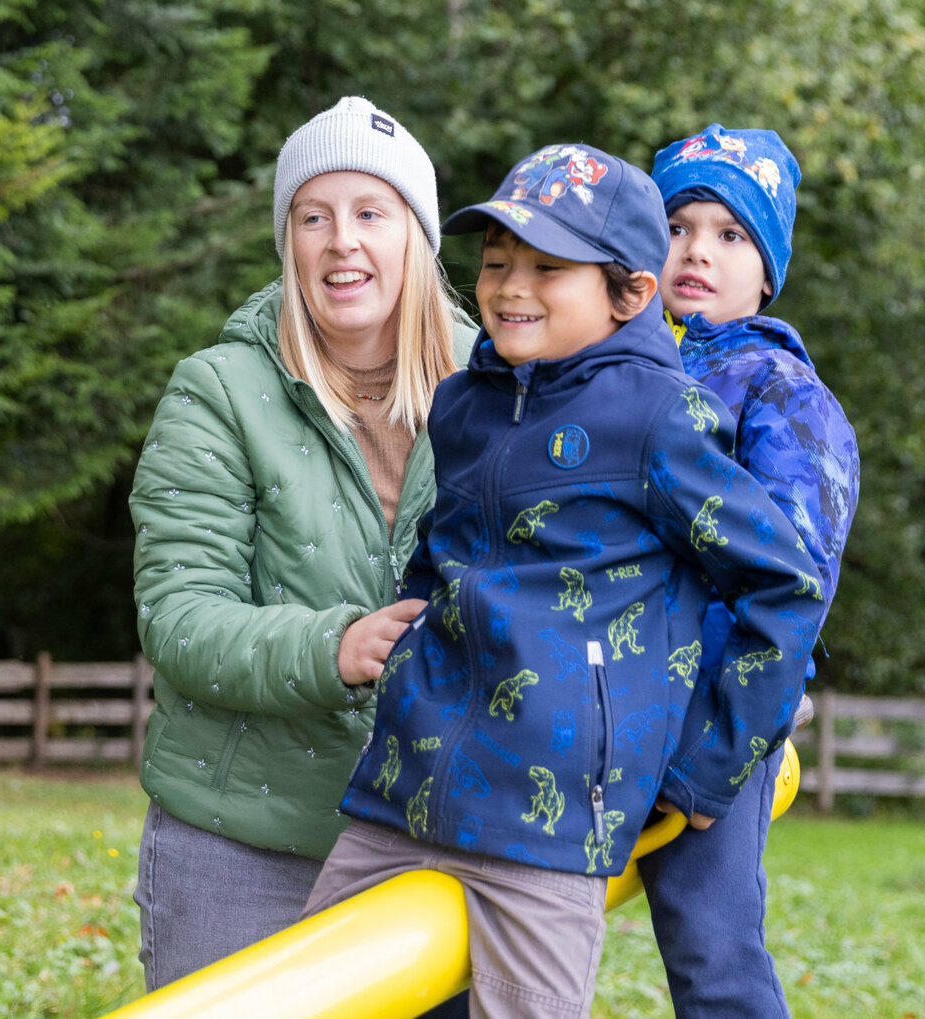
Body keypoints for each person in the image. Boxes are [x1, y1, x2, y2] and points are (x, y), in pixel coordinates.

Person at [301, 142, 829, 1019]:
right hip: (400, 797)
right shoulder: (465, 402)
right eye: (498, 260)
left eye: (550, 267)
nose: (512, 286)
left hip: (545, 832)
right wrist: (409, 644)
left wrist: (712, 765)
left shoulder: (661, 418)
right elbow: (444, 547)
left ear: (629, 293)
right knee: (324, 999)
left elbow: (785, 586)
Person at [127, 96, 478, 994]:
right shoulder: (219, 391)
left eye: (370, 213)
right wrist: (334, 646)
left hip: (439, 838)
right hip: (244, 838)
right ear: (289, 242)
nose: (341, 242)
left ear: (417, 236)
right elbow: (180, 615)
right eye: (313, 217)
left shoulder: (500, 390)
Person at [638, 123, 861, 1017]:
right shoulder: (613, 372)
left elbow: (792, 582)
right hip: (591, 704)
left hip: (713, 719)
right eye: (680, 224)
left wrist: (721, 751)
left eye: (731, 235)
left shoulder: (780, 391)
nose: (698, 251)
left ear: (766, 269)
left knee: (712, 951)